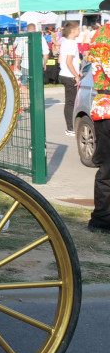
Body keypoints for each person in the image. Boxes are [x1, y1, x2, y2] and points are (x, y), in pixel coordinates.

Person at [87, 16, 110, 232]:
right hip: (107, 106)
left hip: (104, 107)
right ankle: (102, 218)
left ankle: (102, 218)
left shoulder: (101, 33)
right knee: (107, 168)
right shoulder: (106, 35)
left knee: (107, 167)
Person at [59, 21, 82, 136]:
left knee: (70, 102)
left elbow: (61, 60)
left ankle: (70, 127)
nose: (79, 31)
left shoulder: (64, 42)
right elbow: (69, 62)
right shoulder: (72, 43)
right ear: (73, 31)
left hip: (65, 74)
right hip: (69, 76)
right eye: (78, 29)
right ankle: (70, 128)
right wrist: (76, 75)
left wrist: (78, 72)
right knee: (70, 102)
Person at [12, 23, 49, 91]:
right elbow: (46, 53)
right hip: (37, 65)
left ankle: (26, 101)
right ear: (35, 29)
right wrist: (44, 64)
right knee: (37, 84)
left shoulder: (23, 38)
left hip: (25, 65)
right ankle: (37, 100)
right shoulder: (40, 38)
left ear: (27, 29)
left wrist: (16, 65)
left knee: (24, 84)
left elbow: (18, 54)